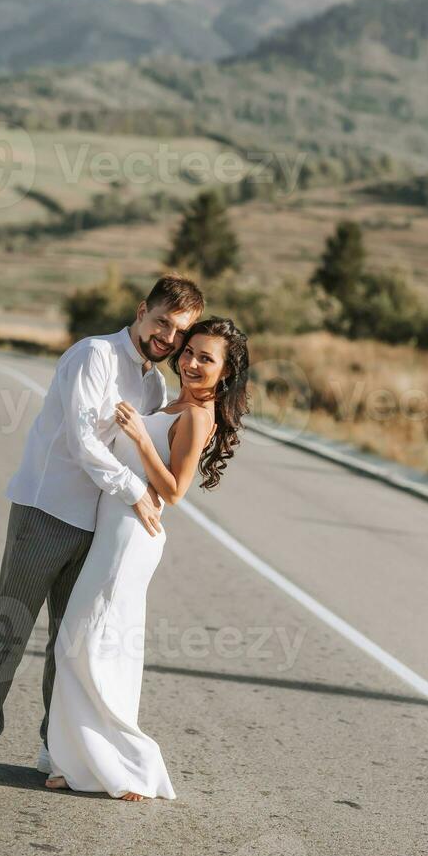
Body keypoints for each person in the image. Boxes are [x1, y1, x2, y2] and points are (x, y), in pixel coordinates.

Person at [0, 274, 205, 790]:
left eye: (178, 331)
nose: (167, 336)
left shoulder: (154, 385)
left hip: (96, 526)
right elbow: (81, 443)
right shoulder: (93, 355)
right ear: (142, 311)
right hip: (45, 510)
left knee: (68, 644)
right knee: (11, 627)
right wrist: (134, 493)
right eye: (162, 321)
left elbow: (151, 456)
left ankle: (55, 743)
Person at [45, 316, 250, 800]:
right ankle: (77, 764)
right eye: (190, 351)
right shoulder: (170, 399)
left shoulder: (198, 415)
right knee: (95, 644)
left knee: (85, 642)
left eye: (206, 358)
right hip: (115, 524)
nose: (192, 362)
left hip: (133, 535)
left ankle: (127, 765)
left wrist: (139, 436)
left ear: (225, 373)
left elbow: (176, 491)